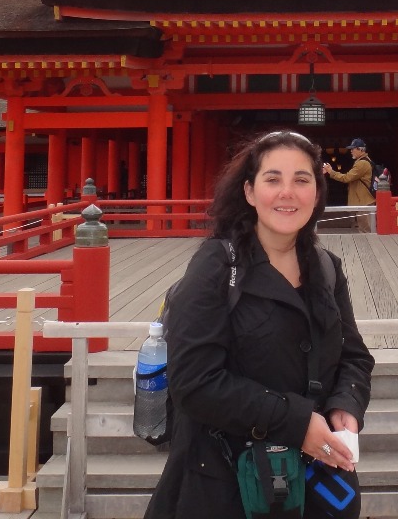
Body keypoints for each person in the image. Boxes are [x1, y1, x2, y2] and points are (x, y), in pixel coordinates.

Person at [144, 130, 374, 519]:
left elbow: (354, 356)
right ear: (250, 192)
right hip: (224, 479)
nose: (288, 192)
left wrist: (345, 404)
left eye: (301, 180)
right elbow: (194, 382)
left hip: (312, 479)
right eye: (273, 179)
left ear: (317, 193)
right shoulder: (216, 266)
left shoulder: (325, 267)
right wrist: (297, 422)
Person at [323, 138, 375, 233]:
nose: (351, 151)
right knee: (363, 229)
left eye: (353, 149)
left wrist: (331, 172)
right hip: (363, 200)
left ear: (360, 149)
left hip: (363, 201)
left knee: (365, 230)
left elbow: (347, 178)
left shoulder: (362, 163)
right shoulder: (364, 161)